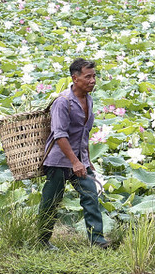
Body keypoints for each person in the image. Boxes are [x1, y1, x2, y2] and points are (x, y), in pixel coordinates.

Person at [39, 57, 109, 248]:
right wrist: (74, 162)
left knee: (90, 196)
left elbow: (83, 133)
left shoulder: (89, 99)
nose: (93, 80)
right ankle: (42, 240)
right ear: (75, 78)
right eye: (88, 77)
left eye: (94, 76)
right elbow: (59, 135)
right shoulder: (62, 102)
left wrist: (85, 160)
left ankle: (97, 241)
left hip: (81, 159)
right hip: (59, 161)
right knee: (51, 202)